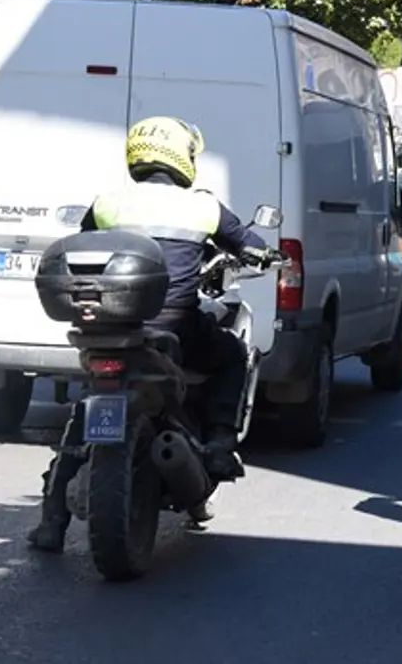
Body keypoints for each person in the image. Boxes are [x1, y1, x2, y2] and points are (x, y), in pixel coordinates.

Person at [28, 116, 274, 553]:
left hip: (109, 327)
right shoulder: (203, 207)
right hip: (174, 325)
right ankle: (218, 441)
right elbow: (250, 245)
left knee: (84, 413)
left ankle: (51, 522)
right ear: (184, 156)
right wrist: (266, 255)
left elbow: (86, 246)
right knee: (232, 354)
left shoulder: (108, 203)